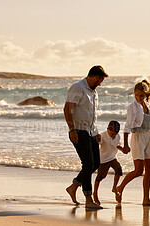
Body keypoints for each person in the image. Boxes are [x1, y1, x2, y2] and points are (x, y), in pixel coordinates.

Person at [64, 65, 108, 209]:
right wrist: (72, 130)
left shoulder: (94, 92)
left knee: (95, 164)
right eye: (101, 80)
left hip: (91, 132)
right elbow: (67, 108)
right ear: (95, 77)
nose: (101, 83)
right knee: (88, 164)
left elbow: (91, 113)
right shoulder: (78, 88)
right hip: (79, 131)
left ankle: (73, 187)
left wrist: (96, 133)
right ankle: (89, 200)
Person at [116, 79, 150, 206]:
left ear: (147, 95)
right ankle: (120, 187)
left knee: (149, 171)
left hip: (149, 138)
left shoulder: (148, 106)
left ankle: (146, 199)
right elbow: (127, 127)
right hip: (137, 138)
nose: (138, 97)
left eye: (141, 95)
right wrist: (126, 144)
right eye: (136, 95)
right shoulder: (132, 107)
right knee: (138, 171)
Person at [93, 120, 128, 205]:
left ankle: (114, 188)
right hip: (103, 160)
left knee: (119, 170)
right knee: (100, 177)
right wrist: (97, 138)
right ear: (107, 129)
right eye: (112, 134)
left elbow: (117, 145)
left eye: (115, 134)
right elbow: (99, 142)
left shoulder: (117, 136)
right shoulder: (102, 136)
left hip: (112, 158)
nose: (113, 135)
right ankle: (95, 194)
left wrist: (122, 149)